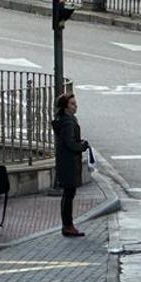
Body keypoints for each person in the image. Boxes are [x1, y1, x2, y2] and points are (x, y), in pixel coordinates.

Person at [53, 92, 89, 238]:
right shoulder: (68, 122)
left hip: (65, 161)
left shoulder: (64, 119)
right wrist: (82, 146)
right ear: (66, 107)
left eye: (75, 103)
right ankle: (68, 226)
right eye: (72, 104)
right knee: (69, 194)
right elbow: (70, 143)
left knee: (68, 194)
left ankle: (67, 225)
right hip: (69, 162)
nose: (76, 106)